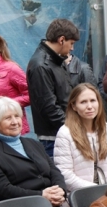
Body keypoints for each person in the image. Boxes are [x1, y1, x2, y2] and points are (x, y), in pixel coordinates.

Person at [27, 18, 80, 157]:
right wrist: (74, 128)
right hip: (53, 138)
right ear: (61, 39)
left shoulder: (56, 59)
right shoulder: (41, 65)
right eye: (71, 43)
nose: (72, 48)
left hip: (64, 131)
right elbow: (49, 108)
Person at [54, 83, 107, 191]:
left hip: (105, 191)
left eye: (93, 100)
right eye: (83, 102)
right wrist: (95, 189)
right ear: (74, 106)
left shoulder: (105, 128)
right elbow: (65, 175)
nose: (89, 106)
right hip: (80, 194)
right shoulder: (65, 133)